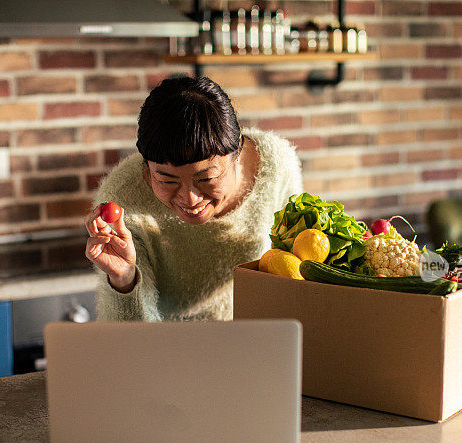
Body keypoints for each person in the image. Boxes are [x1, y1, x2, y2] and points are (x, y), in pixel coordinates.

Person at [85, 76, 303, 321]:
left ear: (237, 151)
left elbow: (293, 271)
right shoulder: (122, 199)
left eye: (206, 178)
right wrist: (124, 280)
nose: (189, 199)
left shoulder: (275, 164)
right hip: (169, 349)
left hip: (259, 337)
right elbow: (131, 341)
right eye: (167, 180)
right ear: (146, 166)